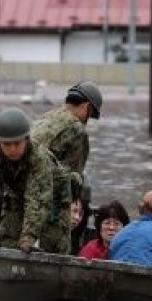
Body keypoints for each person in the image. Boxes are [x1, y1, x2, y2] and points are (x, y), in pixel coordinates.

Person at [0, 108, 70, 257]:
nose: (12, 149)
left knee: (54, 242)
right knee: (8, 238)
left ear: (26, 140)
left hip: (54, 195)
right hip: (18, 192)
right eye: (7, 144)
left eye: (17, 143)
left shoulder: (38, 158)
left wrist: (28, 237)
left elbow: (38, 200)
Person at [31, 81, 102, 252]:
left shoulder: (47, 117)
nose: (87, 121)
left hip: (26, 195)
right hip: (49, 200)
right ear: (86, 107)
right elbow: (72, 179)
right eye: (90, 116)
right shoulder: (76, 129)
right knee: (58, 250)